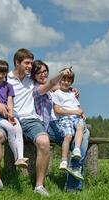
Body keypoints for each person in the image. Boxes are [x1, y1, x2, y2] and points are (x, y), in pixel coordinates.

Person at [0, 48, 62, 197]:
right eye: (27, 63)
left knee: (44, 141)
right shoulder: (5, 79)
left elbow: (49, 85)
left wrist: (70, 89)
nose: (30, 66)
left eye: (31, 63)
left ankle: (39, 185)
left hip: (31, 120)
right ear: (17, 63)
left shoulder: (32, 79)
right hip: (9, 119)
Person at [31, 60, 90, 192]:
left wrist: (71, 89)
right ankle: (73, 182)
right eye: (39, 72)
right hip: (49, 126)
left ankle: (74, 169)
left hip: (62, 121)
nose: (42, 74)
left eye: (45, 71)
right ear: (33, 75)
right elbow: (52, 85)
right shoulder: (36, 87)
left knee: (83, 132)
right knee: (82, 135)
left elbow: (58, 87)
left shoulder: (57, 88)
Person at [0, 59, 28, 168]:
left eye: (3, 73)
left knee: (17, 127)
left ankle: (20, 158)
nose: (0, 76)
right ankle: (17, 157)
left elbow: (10, 102)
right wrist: (7, 116)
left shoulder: (9, 86)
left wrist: (11, 114)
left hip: (8, 113)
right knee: (10, 128)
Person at [52, 67, 87, 171]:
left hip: (76, 117)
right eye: (63, 79)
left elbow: (78, 106)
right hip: (65, 118)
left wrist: (81, 113)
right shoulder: (57, 93)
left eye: (69, 80)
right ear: (59, 80)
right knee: (68, 136)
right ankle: (64, 160)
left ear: (71, 82)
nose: (66, 82)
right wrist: (75, 112)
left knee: (80, 126)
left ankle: (76, 149)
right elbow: (57, 110)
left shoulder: (72, 93)